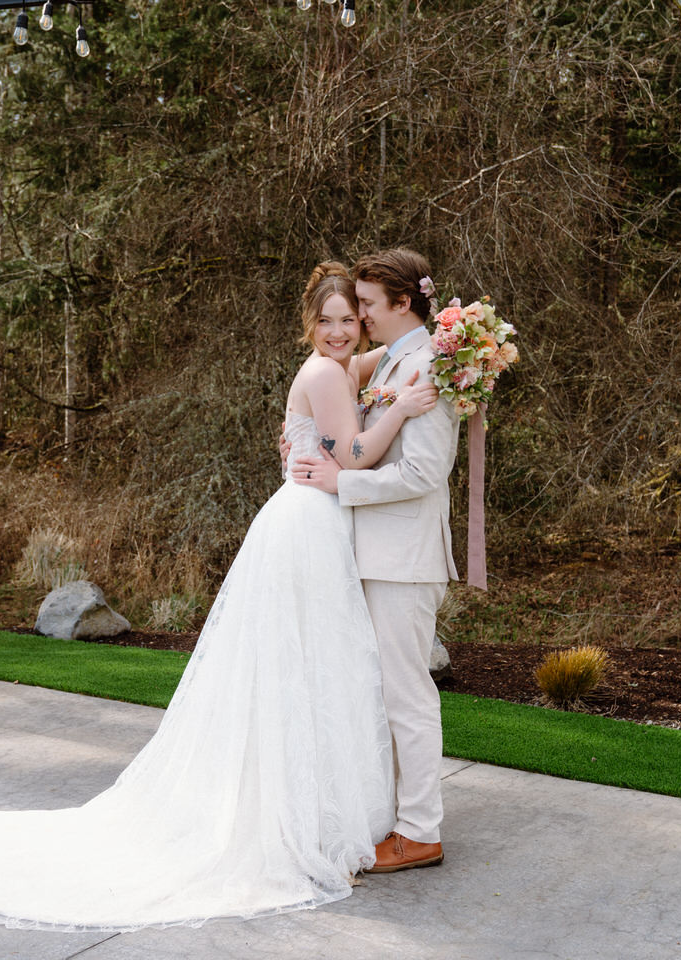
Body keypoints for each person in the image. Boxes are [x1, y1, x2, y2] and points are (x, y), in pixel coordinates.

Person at [0, 262, 439, 932]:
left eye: (348, 319)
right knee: (308, 669)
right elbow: (351, 458)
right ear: (309, 324)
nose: (337, 330)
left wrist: (440, 335)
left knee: (316, 670)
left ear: (365, 321)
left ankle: (326, 805)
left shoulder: (351, 365)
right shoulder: (329, 372)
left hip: (316, 524)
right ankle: (306, 812)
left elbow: (384, 356)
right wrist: (402, 412)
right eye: (325, 320)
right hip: (313, 519)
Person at [290, 248, 460, 874]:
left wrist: (342, 484)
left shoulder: (433, 366)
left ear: (401, 303)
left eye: (364, 305)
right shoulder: (390, 359)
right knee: (379, 694)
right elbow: (338, 419)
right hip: (373, 552)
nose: (356, 317)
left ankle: (420, 832)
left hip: (403, 557)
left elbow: (422, 470)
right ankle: (396, 817)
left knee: (406, 697)